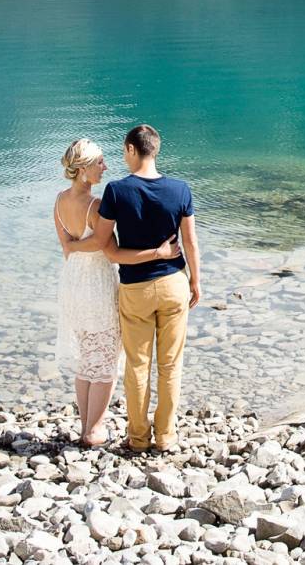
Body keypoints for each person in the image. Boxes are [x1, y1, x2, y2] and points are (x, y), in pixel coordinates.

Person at [52, 138, 178, 447]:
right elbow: (109, 250)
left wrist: (72, 246)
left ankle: (86, 426)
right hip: (96, 282)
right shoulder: (95, 206)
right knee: (106, 357)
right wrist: (159, 253)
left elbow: (67, 246)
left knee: (87, 356)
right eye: (98, 163)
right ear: (82, 170)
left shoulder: (59, 200)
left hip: (73, 281)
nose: (105, 167)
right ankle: (94, 430)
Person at [98, 123, 201, 452]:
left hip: (136, 288)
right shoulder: (181, 190)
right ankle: (166, 436)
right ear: (155, 150)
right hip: (174, 284)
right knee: (170, 365)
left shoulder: (116, 191)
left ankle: (139, 438)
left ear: (131, 149)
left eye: (123, 151)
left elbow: (108, 249)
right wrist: (196, 282)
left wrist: (146, 254)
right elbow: (191, 243)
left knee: (137, 365)